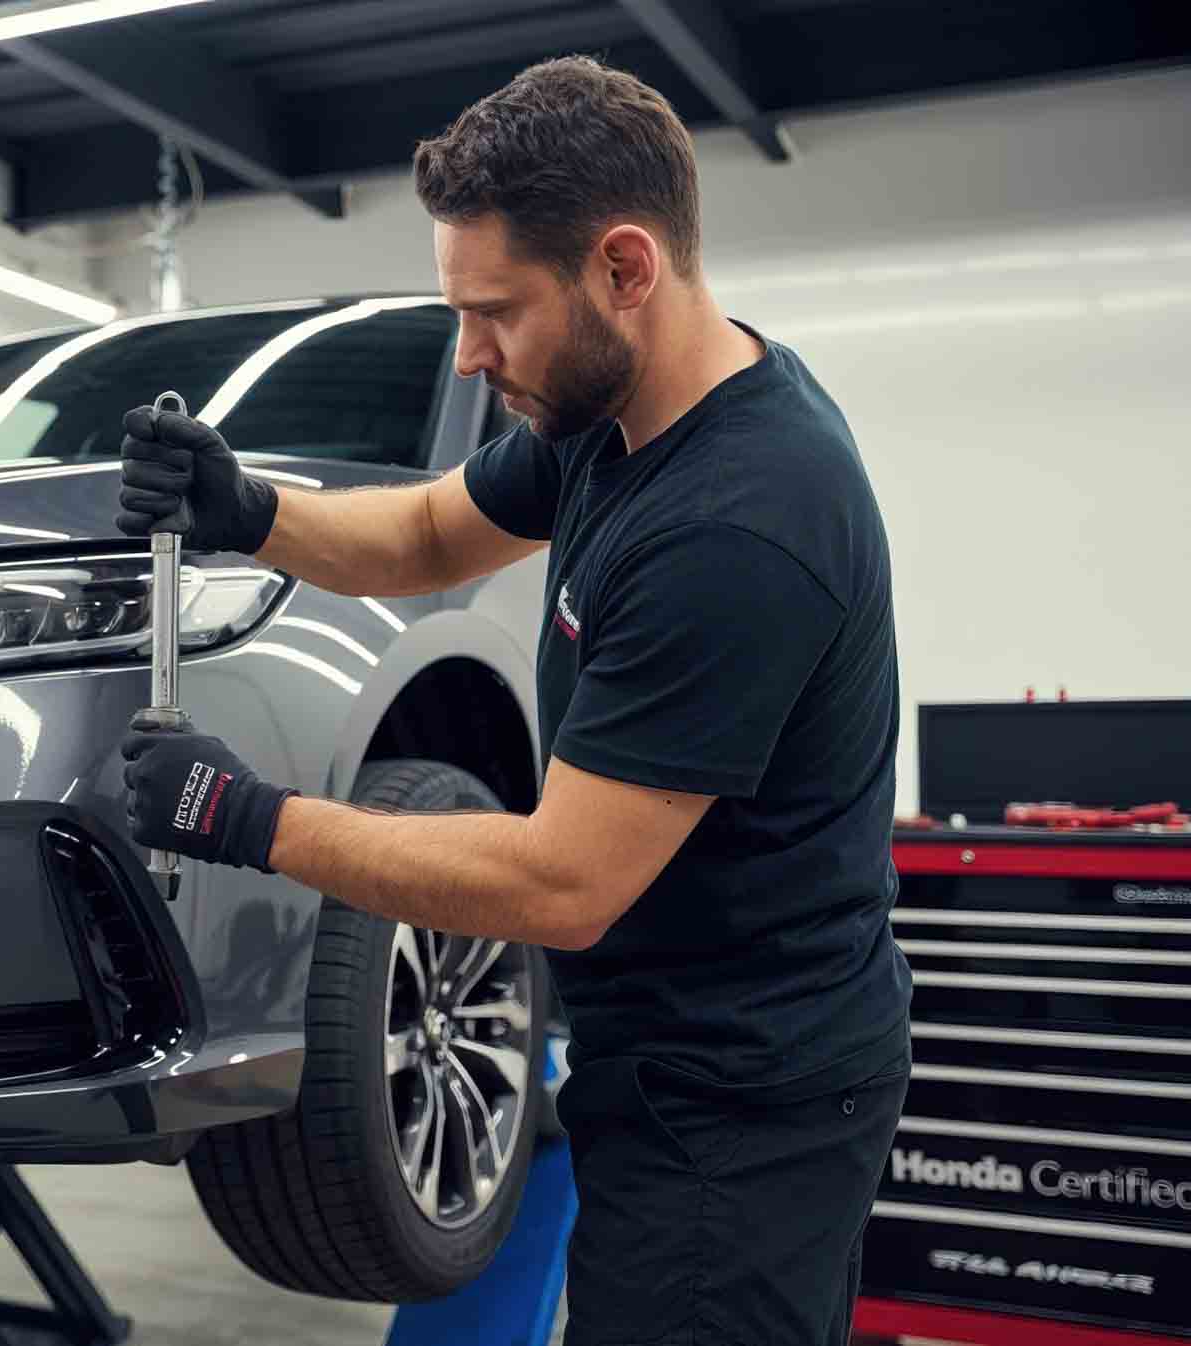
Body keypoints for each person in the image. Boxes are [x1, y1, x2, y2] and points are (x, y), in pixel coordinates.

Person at [115, 55, 910, 1346]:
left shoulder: (738, 522)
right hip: (672, 1056)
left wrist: (246, 816)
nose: (474, 356)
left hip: (744, 1105)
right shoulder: (618, 415)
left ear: (625, 268)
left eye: (497, 312)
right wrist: (246, 509)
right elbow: (428, 533)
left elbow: (560, 883)